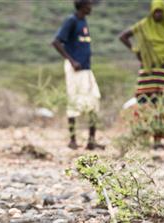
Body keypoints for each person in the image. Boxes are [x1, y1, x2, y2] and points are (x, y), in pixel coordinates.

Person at [119, 0, 164, 149]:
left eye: (160, 12)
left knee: (162, 106)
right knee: (145, 105)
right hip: (147, 72)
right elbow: (123, 36)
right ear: (151, 12)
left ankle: (158, 141)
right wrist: (136, 51)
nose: (158, 14)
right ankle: (144, 140)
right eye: (156, 11)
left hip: (162, 73)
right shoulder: (143, 25)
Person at [52, 0, 103, 150]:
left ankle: (91, 141)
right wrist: (72, 60)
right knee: (74, 101)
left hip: (86, 69)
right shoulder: (72, 21)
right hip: (75, 69)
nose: (91, 7)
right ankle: (72, 140)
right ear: (82, 6)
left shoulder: (83, 21)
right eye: (89, 5)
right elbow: (56, 42)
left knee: (94, 100)